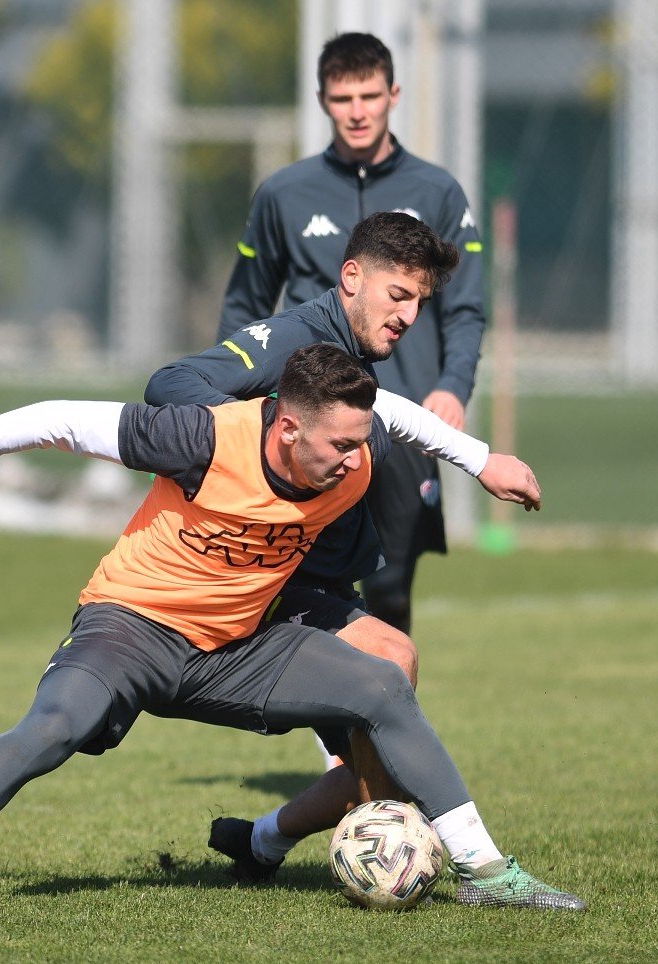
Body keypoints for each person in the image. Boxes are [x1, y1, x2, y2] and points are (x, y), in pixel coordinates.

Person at [0, 344, 583, 911]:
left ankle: (484, 870)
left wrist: (484, 462)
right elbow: (56, 419)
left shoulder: (348, 439)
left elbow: (393, 412)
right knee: (55, 726)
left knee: (384, 685)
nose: (359, 459)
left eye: (363, 442)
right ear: (288, 428)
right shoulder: (198, 440)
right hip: (131, 628)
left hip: (238, 648)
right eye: (342, 446)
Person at [148, 211, 488, 877]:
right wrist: (264, 447)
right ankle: (474, 868)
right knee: (393, 669)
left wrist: (481, 460)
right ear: (352, 277)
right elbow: (172, 384)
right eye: (399, 295)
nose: (410, 315)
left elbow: (391, 414)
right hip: (276, 584)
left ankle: (261, 842)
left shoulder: (351, 358)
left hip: (328, 586)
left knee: (377, 767)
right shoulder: (296, 338)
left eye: (420, 301)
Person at [217, 31, 484, 637]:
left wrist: (452, 386)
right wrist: (238, 397)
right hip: (311, 418)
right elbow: (247, 305)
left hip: (405, 419)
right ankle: (327, 721)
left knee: (390, 584)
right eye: (343, 98)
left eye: (369, 94)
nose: (358, 111)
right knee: (302, 582)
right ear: (323, 101)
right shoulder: (283, 194)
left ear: (393, 94)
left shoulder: (437, 192)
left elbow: (466, 308)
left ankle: (377, 721)